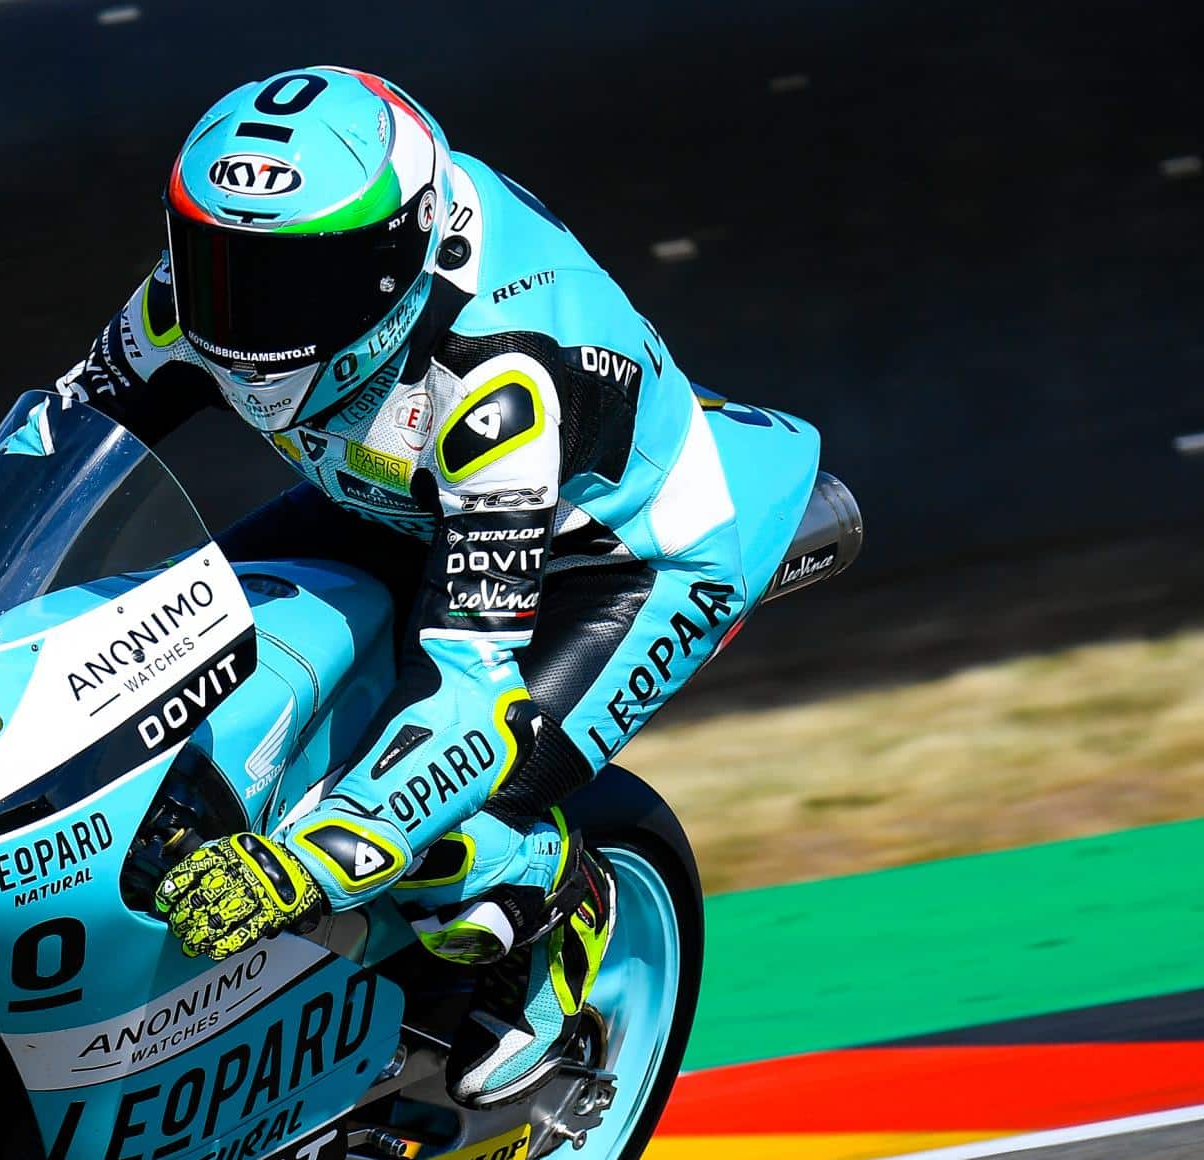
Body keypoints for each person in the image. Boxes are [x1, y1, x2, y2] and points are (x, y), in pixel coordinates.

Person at [56, 66, 805, 1103]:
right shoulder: (199, 297)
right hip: (399, 501)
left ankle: (554, 893)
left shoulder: (497, 375)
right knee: (170, 675)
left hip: (618, 561)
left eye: (289, 284)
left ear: (396, 260)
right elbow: (55, 445)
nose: (242, 315)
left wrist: (301, 869)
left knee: (441, 836)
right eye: (220, 264)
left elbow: (473, 696)